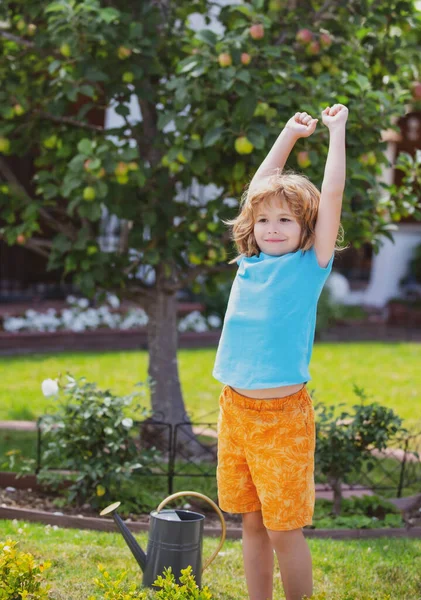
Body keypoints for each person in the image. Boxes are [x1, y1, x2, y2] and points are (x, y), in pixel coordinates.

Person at [213, 104, 348, 600]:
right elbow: (257, 192)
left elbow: (331, 194)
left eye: (285, 220)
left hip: (283, 419)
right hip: (236, 411)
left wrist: (337, 132)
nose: (272, 227)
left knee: (283, 530)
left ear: (306, 228)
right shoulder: (249, 261)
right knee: (251, 524)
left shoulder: (310, 264)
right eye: (265, 220)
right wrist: (288, 136)